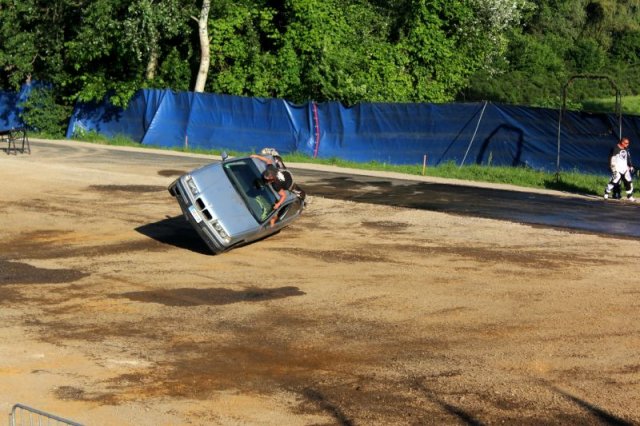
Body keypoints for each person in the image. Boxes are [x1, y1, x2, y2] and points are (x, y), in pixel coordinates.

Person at [604, 137, 635, 201]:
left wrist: (631, 166)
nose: (627, 144)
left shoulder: (626, 149)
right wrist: (611, 167)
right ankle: (606, 192)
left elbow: (628, 158)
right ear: (622, 142)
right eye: (626, 143)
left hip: (625, 168)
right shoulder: (615, 149)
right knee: (615, 180)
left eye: (628, 143)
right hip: (617, 168)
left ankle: (629, 196)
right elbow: (611, 158)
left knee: (628, 182)